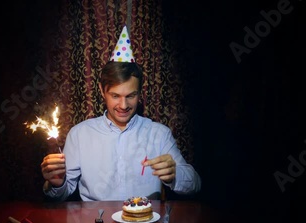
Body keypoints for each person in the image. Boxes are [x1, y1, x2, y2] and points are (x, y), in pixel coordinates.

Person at [40, 26, 201, 201]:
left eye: (131, 95)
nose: (123, 105)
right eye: (115, 96)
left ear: (140, 93)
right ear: (102, 91)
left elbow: (196, 185)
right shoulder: (79, 134)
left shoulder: (159, 134)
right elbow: (60, 196)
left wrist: (175, 175)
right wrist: (57, 183)